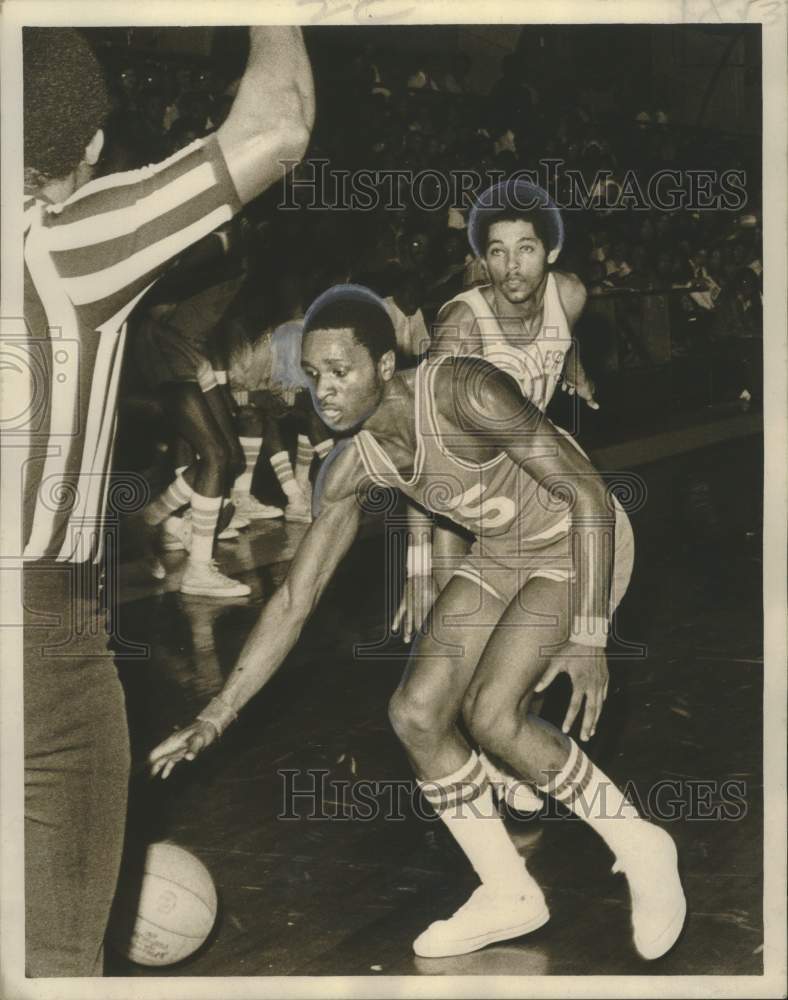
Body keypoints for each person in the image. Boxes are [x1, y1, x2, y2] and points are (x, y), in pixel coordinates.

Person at [150, 285, 686, 963]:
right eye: (314, 377)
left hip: (581, 537)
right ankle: (507, 890)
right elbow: (295, 596)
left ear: (382, 365)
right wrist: (217, 712)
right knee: (416, 711)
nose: (326, 393)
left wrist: (588, 635)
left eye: (340, 372)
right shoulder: (352, 466)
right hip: (503, 553)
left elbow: (585, 490)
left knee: (493, 714)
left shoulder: (463, 391)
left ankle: (640, 843)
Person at [20, 25, 313, 976]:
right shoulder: (66, 242)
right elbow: (278, 125)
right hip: (34, 647)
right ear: (92, 150)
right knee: (52, 960)